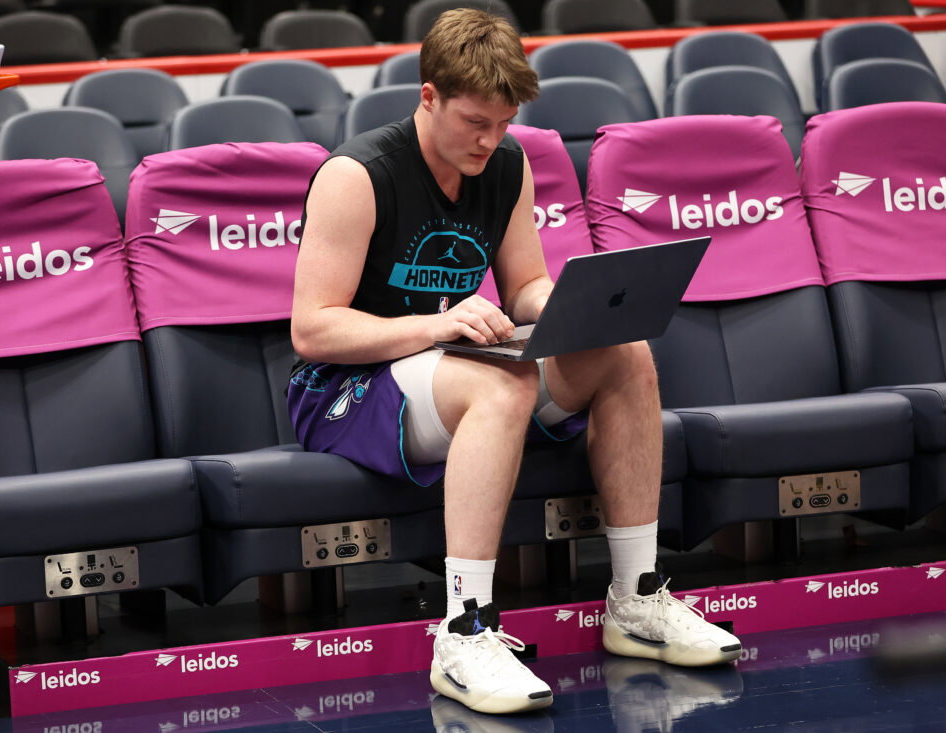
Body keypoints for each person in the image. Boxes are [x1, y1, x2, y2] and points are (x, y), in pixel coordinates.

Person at [288, 8, 742, 715]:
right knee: (499, 388)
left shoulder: (505, 164)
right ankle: (465, 630)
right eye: (474, 121)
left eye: (502, 124)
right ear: (428, 95)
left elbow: (525, 284)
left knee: (626, 353)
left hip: (450, 365)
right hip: (346, 388)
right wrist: (432, 327)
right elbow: (312, 331)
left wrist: (569, 308)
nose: (489, 140)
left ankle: (638, 599)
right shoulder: (357, 175)